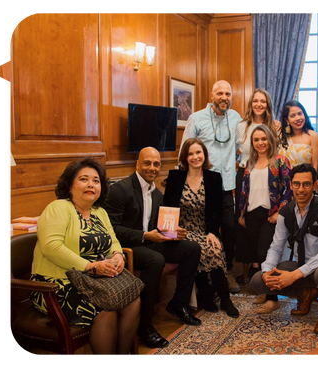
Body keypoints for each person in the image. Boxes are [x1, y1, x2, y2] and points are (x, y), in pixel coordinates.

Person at [30, 157, 140, 357]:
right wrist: (89, 266)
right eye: (83, 179)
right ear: (70, 185)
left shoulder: (100, 212)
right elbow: (51, 247)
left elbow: (113, 240)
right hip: (55, 284)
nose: (91, 184)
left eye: (96, 181)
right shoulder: (58, 208)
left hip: (93, 280)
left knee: (133, 300)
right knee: (105, 308)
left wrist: (117, 254)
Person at [103, 147, 202, 349]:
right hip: (126, 248)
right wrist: (146, 235)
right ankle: (144, 327)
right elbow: (111, 229)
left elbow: (158, 228)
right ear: (137, 164)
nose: (152, 168)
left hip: (149, 244)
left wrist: (173, 233)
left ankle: (179, 303)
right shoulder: (120, 190)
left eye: (156, 164)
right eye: (147, 163)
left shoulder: (156, 193)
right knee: (154, 260)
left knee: (192, 248)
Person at [249, 164, 318, 334]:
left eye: (306, 184)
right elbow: (275, 248)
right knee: (257, 281)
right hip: (301, 266)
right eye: (297, 184)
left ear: (315, 185)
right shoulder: (286, 212)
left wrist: (294, 275)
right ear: (291, 185)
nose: (301, 189)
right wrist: (266, 272)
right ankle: (307, 292)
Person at [163, 139, 239, 318]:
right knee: (201, 250)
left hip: (204, 230)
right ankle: (206, 295)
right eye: (190, 154)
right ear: (185, 157)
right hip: (182, 231)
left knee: (215, 248)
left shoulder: (213, 178)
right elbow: (167, 208)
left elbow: (217, 211)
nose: (195, 157)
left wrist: (212, 233)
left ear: (204, 155)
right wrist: (172, 233)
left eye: (198, 152)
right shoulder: (175, 177)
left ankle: (224, 298)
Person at [180, 80, 242, 291]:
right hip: (203, 186)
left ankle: (228, 271)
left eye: (228, 93)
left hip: (227, 186)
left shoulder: (235, 118)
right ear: (212, 95)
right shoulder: (196, 118)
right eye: (220, 93)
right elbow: (184, 150)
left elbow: (246, 143)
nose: (224, 97)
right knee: (208, 230)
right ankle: (209, 276)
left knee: (230, 229)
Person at [237, 124, 293, 291]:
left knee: (265, 255)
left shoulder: (281, 161)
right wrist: (241, 215)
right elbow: (243, 190)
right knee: (255, 254)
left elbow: (289, 190)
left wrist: (280, 213)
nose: (260, 142)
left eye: (263, 139)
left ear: (270, 139)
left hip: (271, 214)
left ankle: (272, 296)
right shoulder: (249, 163)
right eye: (256, 140)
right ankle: (264, 291)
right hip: (251, 214)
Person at [235, 88, 281, 283]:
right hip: (246, 173)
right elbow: (235, 152)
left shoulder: (275, 125)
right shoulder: (242, 126)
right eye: (255, 101)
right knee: (246, 227)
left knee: (265, 231)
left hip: (269, 175)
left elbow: (279, 152)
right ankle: (251, 270)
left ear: (267, 104)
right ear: (251, 103)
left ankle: (263, 271)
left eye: (263, 101)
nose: (259, 104)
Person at [278, 100, 318, 172]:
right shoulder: (279, 137)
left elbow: (315, 167)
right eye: (293, 116)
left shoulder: (313, 136)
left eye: (300, 114)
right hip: (283, 181)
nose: (298, 118)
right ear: (287, 119)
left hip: (305, 181)